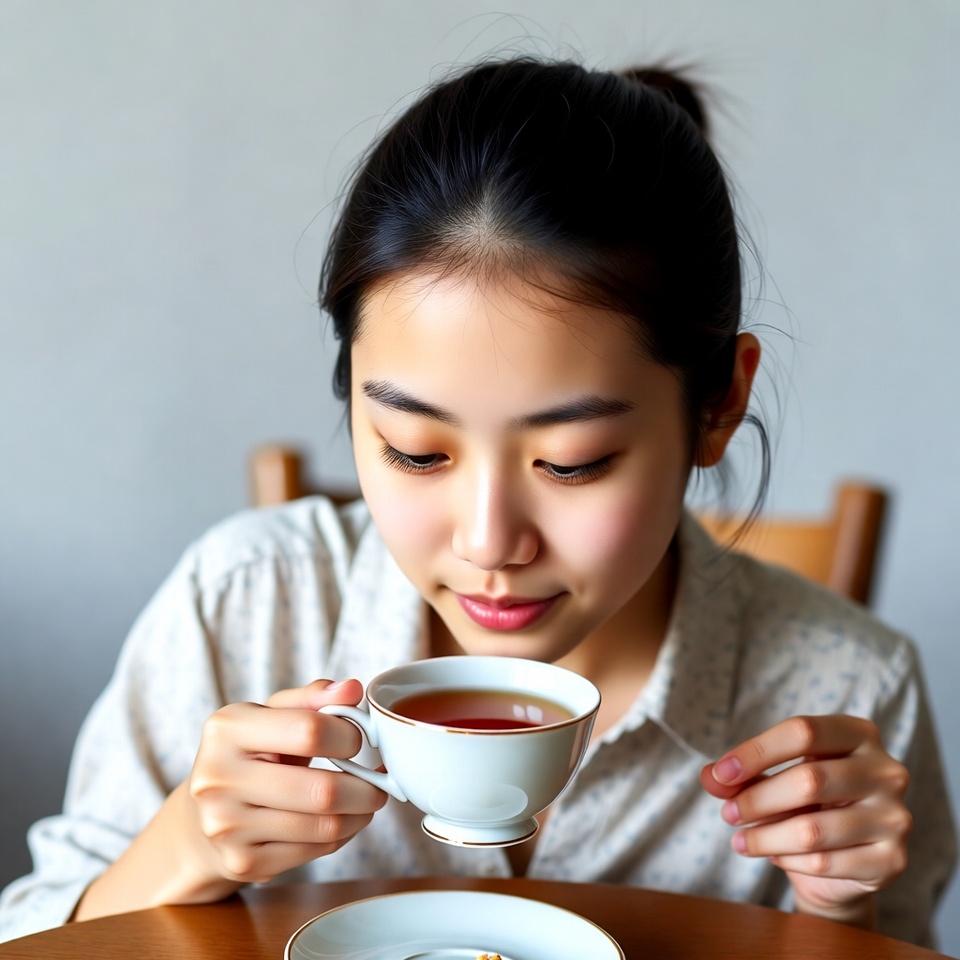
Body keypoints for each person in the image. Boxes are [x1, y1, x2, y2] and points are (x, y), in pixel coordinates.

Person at [0, 56, 955, 947]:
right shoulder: (247, 609)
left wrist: (844, 907)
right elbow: (37, 941)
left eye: (574, 461)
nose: (489, 541)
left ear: (719, 405)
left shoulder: (846, 690)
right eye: (416, 451)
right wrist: (185, 848)